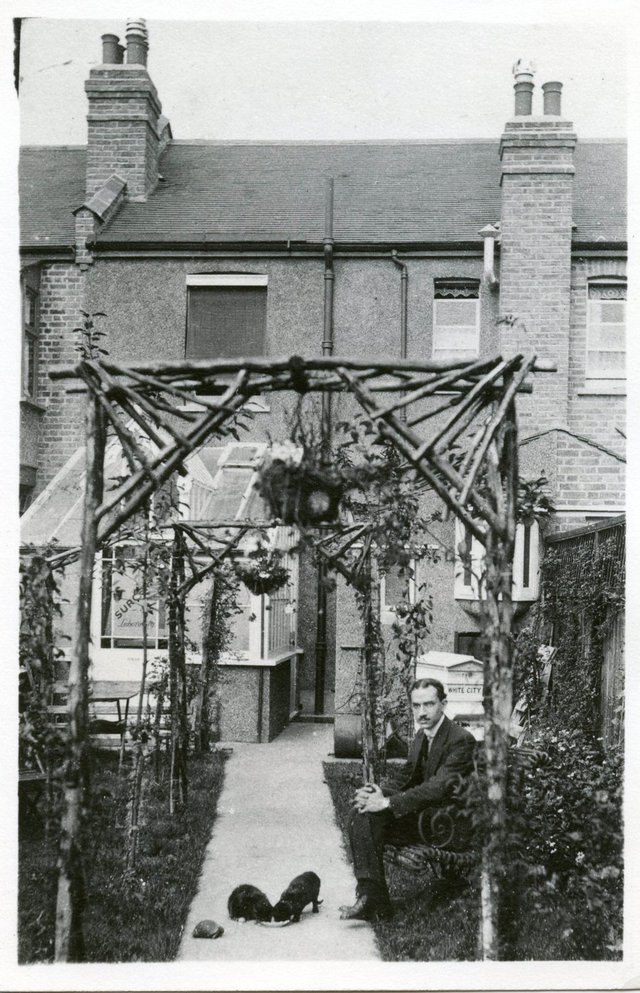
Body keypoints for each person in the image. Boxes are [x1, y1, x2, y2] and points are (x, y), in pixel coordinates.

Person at [339, 676, 476, 921]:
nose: (421, 712)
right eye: (416, 706)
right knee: (361, 811)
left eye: (429, 704)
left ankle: (375, 901)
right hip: (427, 818)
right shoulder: (423, 735)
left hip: (448, 825)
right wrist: (377, 792)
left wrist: (388, 803)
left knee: (370, 815)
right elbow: (406, 777)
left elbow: (438, 788)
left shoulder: (460, 739)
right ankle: (372, 897)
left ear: (443, 704)